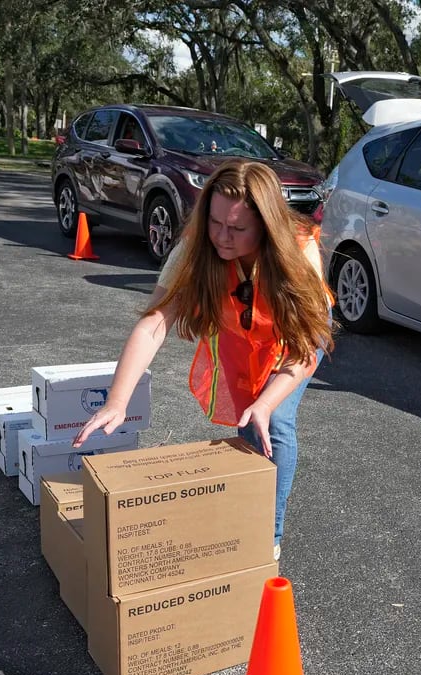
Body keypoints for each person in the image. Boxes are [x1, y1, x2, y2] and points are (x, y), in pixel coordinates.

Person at [73, 159, 334, 561]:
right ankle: (247, 499)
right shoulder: (196, 250)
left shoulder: (298, 254)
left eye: (237, 228)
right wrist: (116, 402)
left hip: (296, 331)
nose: (222, 237)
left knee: (274, 419)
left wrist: (267, 402)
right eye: (215, 222)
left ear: (265, 227)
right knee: (247, 415)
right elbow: (153, 325)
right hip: (244, 325)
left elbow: (305, 347)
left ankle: (269, 535)